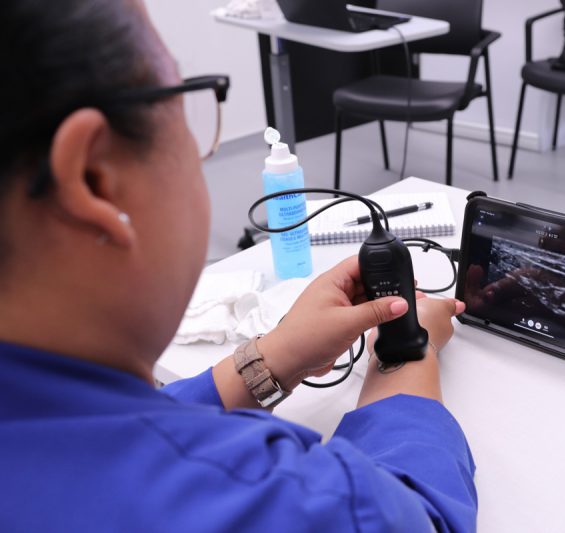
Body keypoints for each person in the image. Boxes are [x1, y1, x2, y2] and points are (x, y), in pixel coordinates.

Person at [0, 1, 477, 531]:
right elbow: (420, 516)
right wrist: (406, 350)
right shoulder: (253, 497)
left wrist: (270, 360)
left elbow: (88, 429)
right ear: (95, 179)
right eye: (184, 101)